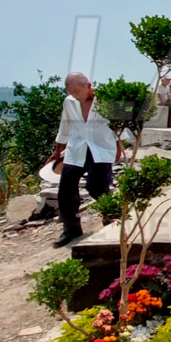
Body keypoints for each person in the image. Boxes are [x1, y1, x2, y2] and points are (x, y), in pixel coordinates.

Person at [47, 72, 121, 247]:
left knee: (96, 186)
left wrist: (119, 146)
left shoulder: (105, 100)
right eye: (70, 91)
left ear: (88, 86)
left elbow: (118, 124)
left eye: (77, 90)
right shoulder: (69, 102)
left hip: (101, 148)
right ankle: (71, 228)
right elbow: (65, 125)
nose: (74, 95)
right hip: (77, 148)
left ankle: (111, 214)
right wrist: (58, 149)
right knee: (65, 188)